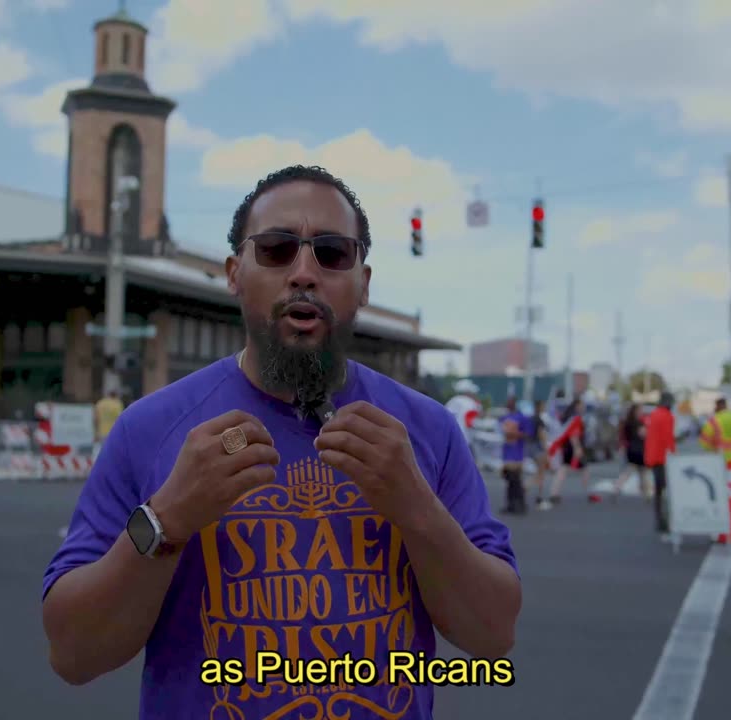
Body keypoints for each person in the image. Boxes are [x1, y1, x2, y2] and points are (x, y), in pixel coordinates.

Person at [40, 166, 521, 720]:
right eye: (275, 248)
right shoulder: (149, 429)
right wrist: (167, 519)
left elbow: (493, 636)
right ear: (234, 273)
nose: (304, 273)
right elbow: (73, 654)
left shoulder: (427, 431)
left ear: (363, 282)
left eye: (332, 253)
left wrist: (417, 510)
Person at [545, 399, 593, 507]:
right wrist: (577, 448)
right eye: (582, 405)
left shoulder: (569, 417)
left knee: (563, 470)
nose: (584, 407)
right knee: (584, 469)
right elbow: (574, 435)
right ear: (577, 406)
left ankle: (554, 493)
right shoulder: (576, 419)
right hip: (572, 448)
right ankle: (588, 492)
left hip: (567, 447)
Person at [644, 394, 677, 537]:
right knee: (664, 489)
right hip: (663, 457)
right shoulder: (667, 416)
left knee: (658, 490)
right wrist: (674, 454)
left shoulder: (654, 414)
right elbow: (668, 437)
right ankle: (664, 520)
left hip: (652, 456)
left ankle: (659, 519)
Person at [611, 403, 649, 501]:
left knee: (631, 471)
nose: (642, 412)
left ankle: (617, 488)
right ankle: (646, 494)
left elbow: (624, 436)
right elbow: (643, 434)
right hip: (639, 449)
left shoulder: (627, 422)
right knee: (642, 472)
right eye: (640, 410)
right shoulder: (638, 423)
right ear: (636, 411)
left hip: (630, 449)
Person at [499, 396, 531, 514]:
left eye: (511, 402)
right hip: (507, 452)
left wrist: (515, 433)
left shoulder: (522, 418)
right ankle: (511, 504)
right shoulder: (503, 418)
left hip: (517, 453)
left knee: (516, 480)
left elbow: (528, 435)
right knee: (509, 480)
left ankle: (520, 504)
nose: (509, 404)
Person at [444, 378, 483, 465]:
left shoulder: (452, 401)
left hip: (451, 439)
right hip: (466, 440)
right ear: (468, 392)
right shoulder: (470, 403)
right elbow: (470, 422)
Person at [93, 389, 125, 454]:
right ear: (116, 396)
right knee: (113, 453)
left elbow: (96, 419)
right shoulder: (118, 404)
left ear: (108, 395)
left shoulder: (100, 403)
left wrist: (96, 432)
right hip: (114, 432)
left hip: (102, 432)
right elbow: (121, 419)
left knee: (102, 452)